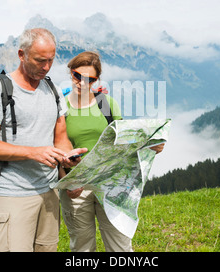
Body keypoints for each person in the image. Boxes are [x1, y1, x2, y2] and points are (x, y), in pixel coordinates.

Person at [0, 28, 87, 252]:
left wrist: (69, 161)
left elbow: (61, 138)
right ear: (21, 54)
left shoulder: (52, 90)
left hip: (49, 192)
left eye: (51, 60)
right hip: (13, 195)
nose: (46, 67)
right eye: (39, 60)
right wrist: (33, 152)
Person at [59, 51, 164, 252]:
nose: (82, 82)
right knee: (82, 249)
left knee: (120, 247)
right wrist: (67, 180)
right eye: (77, 76)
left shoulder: (106, 104)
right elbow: (55, 147)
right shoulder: (61, 107)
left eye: (90, 79)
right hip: (76, 186)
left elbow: (123, 139)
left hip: (111, 184)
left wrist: (149, 146)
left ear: (97, 79)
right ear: (70, 73)